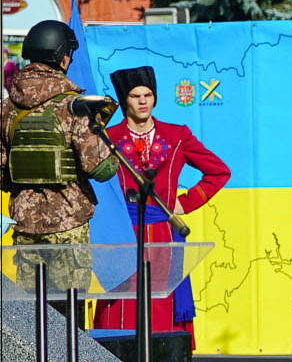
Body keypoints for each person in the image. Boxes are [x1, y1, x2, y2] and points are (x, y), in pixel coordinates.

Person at [93, 66, 232, 337]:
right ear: (124, 100)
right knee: (121, 308)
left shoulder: (176, 136)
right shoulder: (107, 139)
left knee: (161, 306)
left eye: (148, 95)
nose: (143, 101)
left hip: (163, 234)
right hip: (122, 236)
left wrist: (182, 203)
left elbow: (219, 171)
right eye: (135, 96)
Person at [0, 21, 116, 272]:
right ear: (62, 56)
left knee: (33, 308)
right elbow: (102, 169)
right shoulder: (74, 106)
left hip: (24, 227)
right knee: (70, 307)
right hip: (69, 227)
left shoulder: (6, 108)